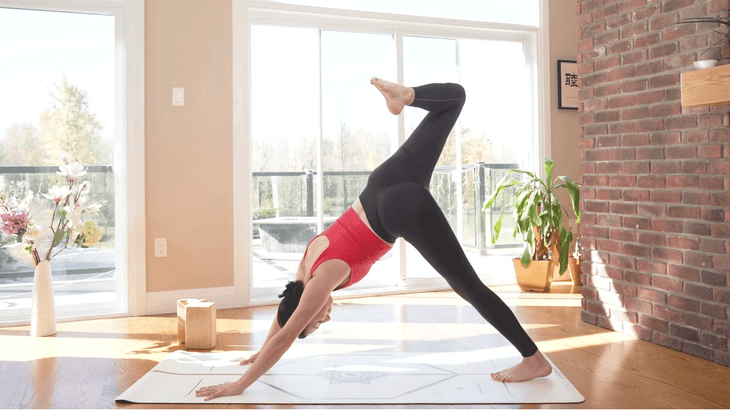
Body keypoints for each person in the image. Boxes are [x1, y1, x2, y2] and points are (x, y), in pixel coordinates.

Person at [195, 78, 552, 401]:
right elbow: (286, 316)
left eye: (318, 320)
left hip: (399, 210)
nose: (325, 318)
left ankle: (534, 360)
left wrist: (239, 385)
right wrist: (259, 351)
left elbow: (287, 334)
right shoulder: (306, 263)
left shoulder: (323, 280)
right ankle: (408, 97)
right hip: (381, 181)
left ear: (310, 307)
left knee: (470, 287)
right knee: (455, 97)